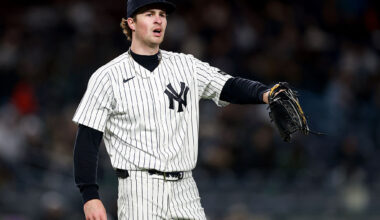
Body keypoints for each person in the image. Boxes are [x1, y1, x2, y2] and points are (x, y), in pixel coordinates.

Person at [72, 0, 272, 219]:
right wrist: (90, 195)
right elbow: (87, 140)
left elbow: (228, 86)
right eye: (149, 14)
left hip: (186, 188)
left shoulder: (186, 65)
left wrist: (265, 94)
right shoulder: (107, 77)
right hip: (140, 189)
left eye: (162, 14)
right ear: (131, 23)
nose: (158, 19)